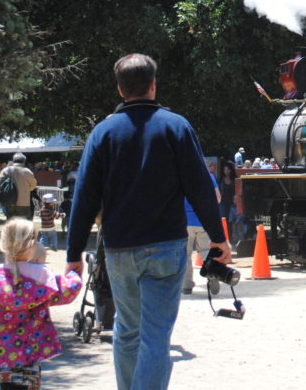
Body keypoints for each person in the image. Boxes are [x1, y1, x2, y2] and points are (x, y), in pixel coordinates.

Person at [65, 53, 229, 390]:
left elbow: (84, 198)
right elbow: (200, 188)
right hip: (166, 246)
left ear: (120, 89)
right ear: (153, 85)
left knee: (127, 331)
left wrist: (72, 255)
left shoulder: (102, 133)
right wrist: (218, 238)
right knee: (156, 336)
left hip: (120, 248)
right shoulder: (176, 127)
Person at [0, 218, 82, 390]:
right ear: (32, 245)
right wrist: (74, 273)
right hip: (31, 351)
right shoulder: (42, 276)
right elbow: (67, 291)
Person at [183, 159, 221, 295]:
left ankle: (187, 285)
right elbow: (218, 198)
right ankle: (211, 273)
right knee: (205, 250)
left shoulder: (183, 175)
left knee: (186, 254)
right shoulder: (209, 176)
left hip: (186, 220)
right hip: (203, 220)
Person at [0, 152, 37, 220]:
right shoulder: (27, 172)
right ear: (24, 161)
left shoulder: (6, 170)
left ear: (13, 160)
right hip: (24, 202)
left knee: (11, 222)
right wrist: (25, 189)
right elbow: (33, 186)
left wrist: (7, 191)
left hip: (9, 202)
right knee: (23, 223)